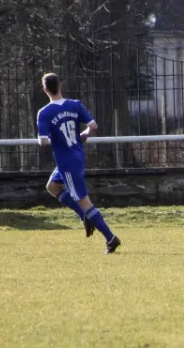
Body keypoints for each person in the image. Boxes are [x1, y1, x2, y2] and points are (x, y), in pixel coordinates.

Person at [36, 72, 121, 254]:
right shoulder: (75, 105)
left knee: (83, 200)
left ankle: (110, 238)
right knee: (52, 187)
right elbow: (94, 126)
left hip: (67, 161)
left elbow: (43, 141)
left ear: (45, 90)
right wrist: (83, 135)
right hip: (76, 155)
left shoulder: (44, 112)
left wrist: (54, 138)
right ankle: (85, 216)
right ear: (60, 85)